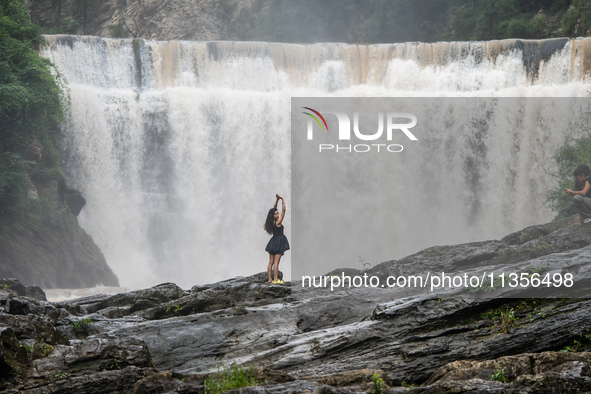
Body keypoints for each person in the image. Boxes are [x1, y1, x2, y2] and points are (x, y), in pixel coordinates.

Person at [264, 194, 290, 283]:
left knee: (271, 262)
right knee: (276, 262)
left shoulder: (271, 222)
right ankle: (275, 279)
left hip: (273, 242)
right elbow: (284, 211)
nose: (278, 214)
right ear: (274, 215)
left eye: (278, 213)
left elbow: (273, 210)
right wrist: (283, 200)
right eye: (276, 214)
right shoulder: (278, 222)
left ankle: (270, 279)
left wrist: (276, 200)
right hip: (279, 242)